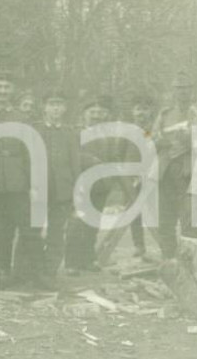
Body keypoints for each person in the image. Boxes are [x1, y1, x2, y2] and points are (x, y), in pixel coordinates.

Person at [0, 70, 34, 290]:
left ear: (13, 91)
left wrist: (31, 184)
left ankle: (7, 270)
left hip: (16, 180)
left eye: (7, 87)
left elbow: (30, 153)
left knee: (13, 228)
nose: (3, 91)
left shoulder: (22, 118)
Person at [65, 95, 118, 274]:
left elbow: (113, 158)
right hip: (81, 185)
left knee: (93, 224)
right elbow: (72, 155)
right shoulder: (76, 133)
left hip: (101, 186)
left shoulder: (108, 135)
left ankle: (88, 259)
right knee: (76, 224)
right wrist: (92, 161)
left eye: (99, 112)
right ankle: (71, 262)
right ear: (84, 114)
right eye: (92, 112)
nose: (96, 115)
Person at [36, 90, 80, 282]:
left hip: (62, 189)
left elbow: (75, 164)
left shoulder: (70, 133)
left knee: (56, 232)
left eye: (59, 104)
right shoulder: (35, 130)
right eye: (51, 104)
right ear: (44, 107)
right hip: (37, 189)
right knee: (32, 231)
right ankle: (28, 271)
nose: (55, 108)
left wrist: (75, 191)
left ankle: (49, 272)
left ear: (65, 108)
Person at [152, 73, 194, 259]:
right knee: (164, 221)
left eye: (185, 88)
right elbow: (149, 137)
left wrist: (188, 143)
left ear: (191, 91)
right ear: (173, 91)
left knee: (189, 222)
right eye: (178, 88)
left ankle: (188, 261)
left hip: (189, 174)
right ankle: (169, 259)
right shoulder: (164, 114)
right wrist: (162, 140)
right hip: (166, 172)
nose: (182, 93)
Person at [124, 93, 157, 259]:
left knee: (155, 211)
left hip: (152, 176)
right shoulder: (127, 131)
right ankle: (139, 245)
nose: (141, 113)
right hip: (132, 177)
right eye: (138, 109)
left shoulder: (154, 129)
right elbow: (121, 153)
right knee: (134, 212)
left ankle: (163, 244)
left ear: (150, 111)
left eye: (145, 109)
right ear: (132, 111)